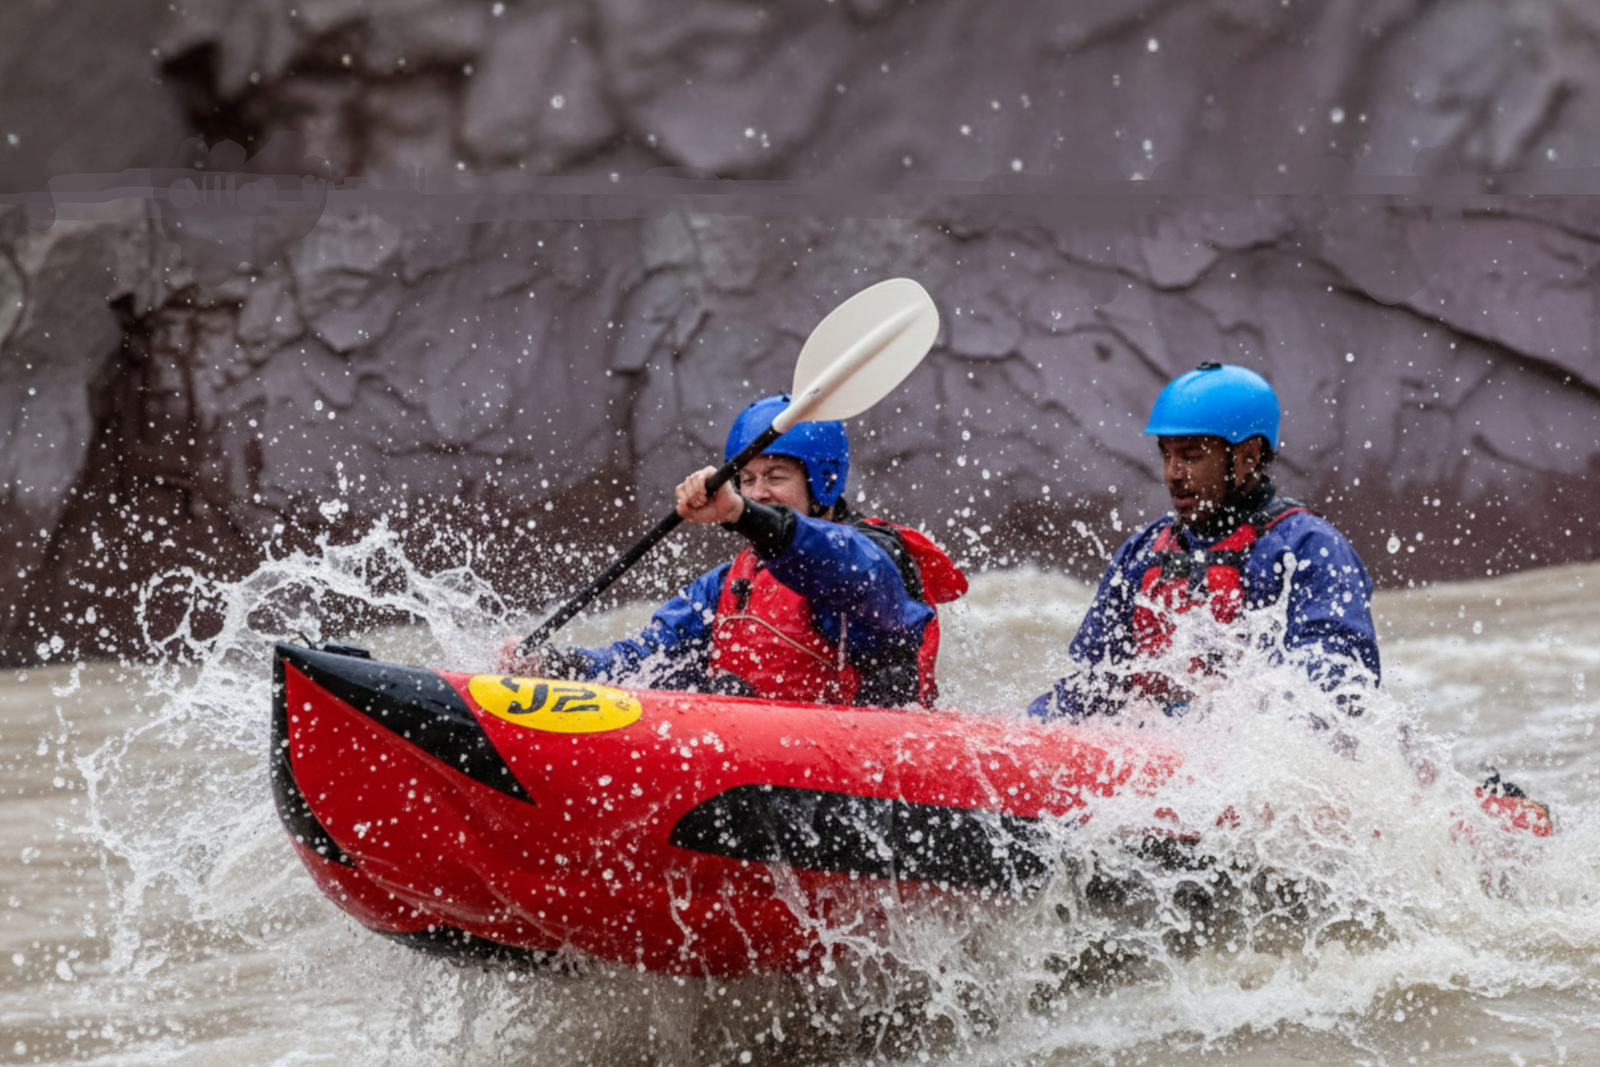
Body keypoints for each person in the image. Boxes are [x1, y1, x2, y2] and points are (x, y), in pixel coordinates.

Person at [501, 394, 967, 707]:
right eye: (746, 480)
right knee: (703, 682)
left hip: (857, 772)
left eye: (776, 477)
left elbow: (846, 569)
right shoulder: (726, 584)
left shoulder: (873, 556)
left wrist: (742, 512)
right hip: (755, 758)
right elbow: (647, 660)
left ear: (823, 480)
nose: (758, 492)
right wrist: (558, 666)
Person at [1028, 362, 1380, 723]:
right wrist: (1027, 727)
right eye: (1166, 454)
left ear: (1248, 457)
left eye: (1191, 456)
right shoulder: (1142, 552)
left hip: (1256, 741)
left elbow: (1337, 679)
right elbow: (1092, 682)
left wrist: (1225, 696)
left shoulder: (1309, 547)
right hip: (1161, 743)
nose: (1173, 474)